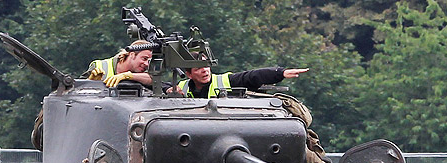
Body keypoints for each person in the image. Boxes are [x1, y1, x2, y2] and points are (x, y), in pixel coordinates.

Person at [174, 62, 309, 98]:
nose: (205, 70)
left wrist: (281, 73)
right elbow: (159, 85)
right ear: (189, 74)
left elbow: (252, 76)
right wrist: (169, 90)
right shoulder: (181, 86)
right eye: (198, 69)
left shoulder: (224, 81)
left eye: (206, 66)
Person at [83, 40, 153, 87]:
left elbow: (153, 81)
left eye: (149, 61)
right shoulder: (100, 66)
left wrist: (127, 76)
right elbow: (77, 90)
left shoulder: (145, 71)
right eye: (144, 59)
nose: (146, 64)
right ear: (132, 55)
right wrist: (92, 82)